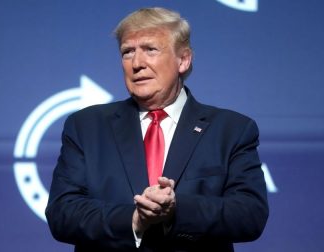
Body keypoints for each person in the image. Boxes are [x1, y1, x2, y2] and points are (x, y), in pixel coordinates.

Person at [45, 7, 269, 252]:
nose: (137, 63)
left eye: (150, 50)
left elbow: (249, 215)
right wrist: (135, 219)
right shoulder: (86, 126)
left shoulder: (231, 130)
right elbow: (62, 213)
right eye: (127, 52)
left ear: (183, 60)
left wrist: (176, 210)